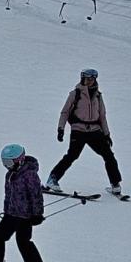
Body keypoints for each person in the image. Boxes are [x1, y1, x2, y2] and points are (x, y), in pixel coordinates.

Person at [0, 144, 52, 262]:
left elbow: (36, 195)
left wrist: (37, 214)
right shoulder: (10, 174)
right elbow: (9, 195)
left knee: (23, 241)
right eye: (4, 162)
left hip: (25, 216)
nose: (6, 166)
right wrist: (7, 210)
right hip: (12, 214)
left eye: (9, 162)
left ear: (19, 159)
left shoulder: (29, 175)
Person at [47, 68, 123, 196]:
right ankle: (52, 179)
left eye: (92, 79)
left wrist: (107, 134)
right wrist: (61, 129)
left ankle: (115, 184)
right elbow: (65, 112)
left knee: (109, 155)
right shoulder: (75, 94)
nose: (90, 82)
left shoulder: (98, 96)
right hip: (79, 130)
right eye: (87, 79)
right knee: (72, 156)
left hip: (95, 131)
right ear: (82, 79)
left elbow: (102, 116)